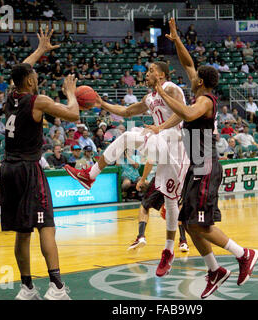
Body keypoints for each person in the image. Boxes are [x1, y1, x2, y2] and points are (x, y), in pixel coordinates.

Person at [148, 18, 258, 299]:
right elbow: (187, 63)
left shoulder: (205, 101)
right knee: (190, 222)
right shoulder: (199, 89)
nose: (190, 74)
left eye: (194, 75)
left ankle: (243, 253)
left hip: (206, 166)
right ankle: (214, 270)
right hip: (196, 167)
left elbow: (185, 114)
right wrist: (177, 40)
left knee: (202, 225)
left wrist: (162, 93)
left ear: (199, 82)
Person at [64, 60, 189, 279]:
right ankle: (89, 176)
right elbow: (127, 111)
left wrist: (160, 127)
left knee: (170, 202)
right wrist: (102, 103)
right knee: (127, 136)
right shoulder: (149, 98)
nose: (147, 73)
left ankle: (169, 249)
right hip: (161, 140)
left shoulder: (170, 88)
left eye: (151, 70)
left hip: (178, 144)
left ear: (161, 74)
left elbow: (183, 113)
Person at [0, 27, 78, 300]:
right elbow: (73, 114)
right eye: (34, 76)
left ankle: (26, 287)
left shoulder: (11, 97)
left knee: (22, 232)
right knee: (46, 226)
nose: (36, 78)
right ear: (31, 82)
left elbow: (21, 71)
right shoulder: (39, 101)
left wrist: (40, 51)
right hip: (29, 169)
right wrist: (71, 93)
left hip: (8, 169)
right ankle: (56, 287)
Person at [128, 161, 189, 253]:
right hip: (179, 179)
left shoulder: (161, 146)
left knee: (144, 206)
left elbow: (150, 161)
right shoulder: (184, 146)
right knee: (179, 206)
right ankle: (183, 241)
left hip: (162, 178)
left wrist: (143, 179)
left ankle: (141, 236)